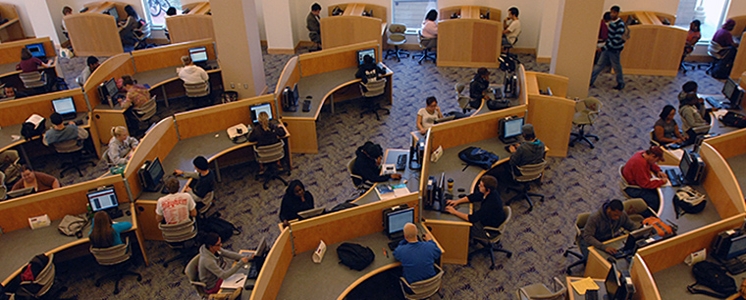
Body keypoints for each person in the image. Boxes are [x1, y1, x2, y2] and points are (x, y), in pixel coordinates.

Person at [590, 6, 627, 90]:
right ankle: (590, 81)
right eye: (611, 12)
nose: (612, 14)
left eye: (614, 13)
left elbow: (615, 40)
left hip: (614, 49)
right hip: (608, 47)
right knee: (599, 65)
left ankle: (620, 83)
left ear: (617, 13)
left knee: (616, 67)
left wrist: (603, 48)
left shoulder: (620, 25)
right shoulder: (611, 22)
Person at [621, 146, 668, 211]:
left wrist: (658, 171)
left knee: (656, 192)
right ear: (652, 155)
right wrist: (662, 182)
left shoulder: (642, 154)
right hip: (632, 188)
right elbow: (645, 184)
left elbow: (651, 164)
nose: (656, 162)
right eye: (657, 160)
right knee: (656, 200)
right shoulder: (640, 164)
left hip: (635, 182)